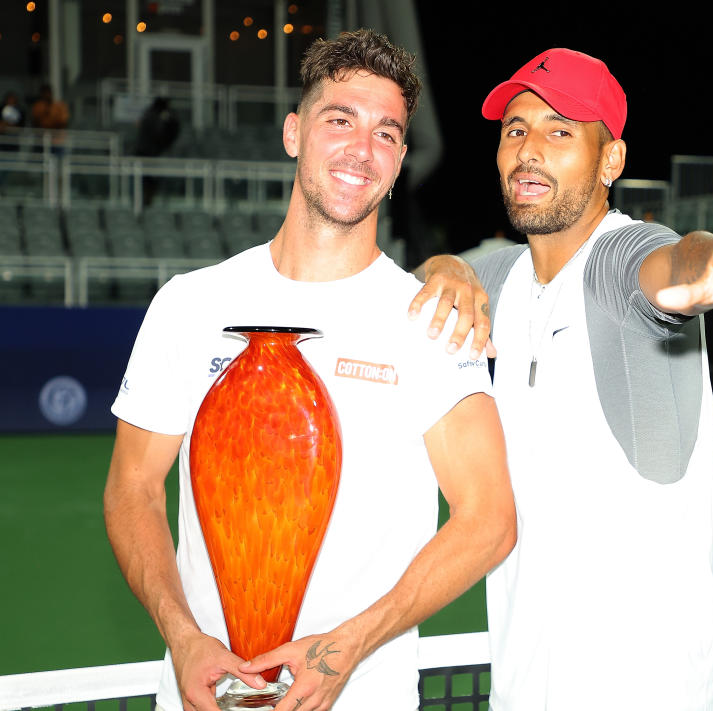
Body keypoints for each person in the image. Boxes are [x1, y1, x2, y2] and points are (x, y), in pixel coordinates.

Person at [104, 29, 516, 711]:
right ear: (294, 133)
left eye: (386, 133)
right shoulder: (187, 303)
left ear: (401, 159)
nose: (362, 149)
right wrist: (182, 636)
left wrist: (347, 646)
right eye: (340, 120)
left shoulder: (432, 321)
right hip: (201, 695)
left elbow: (489, 518)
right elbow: (133, 489)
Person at [411, 48, 713, 710]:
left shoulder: (622, 259)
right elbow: (426, 276)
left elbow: (674, 263)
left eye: (560, 131)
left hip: (648, 691)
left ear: (611, 161)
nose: (530, 148)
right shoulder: (501, 276)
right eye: (516, 129)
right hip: (522, 686)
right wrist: (444, 264)